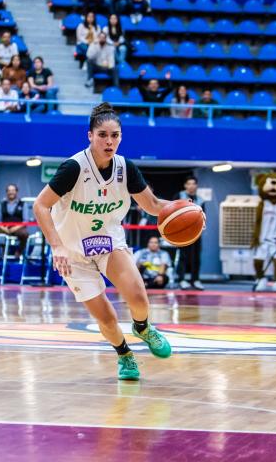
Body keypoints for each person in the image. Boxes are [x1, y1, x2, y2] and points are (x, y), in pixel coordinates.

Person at [33, 102, 172, 381]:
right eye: (103, 135)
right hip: (73, 254)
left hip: (108, 242)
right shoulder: (73, 168)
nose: (109, 142)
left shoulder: (125, 168)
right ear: (90, 136)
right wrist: (57, 246)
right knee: (106, 318)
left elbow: (154, 205)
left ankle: (143, 327)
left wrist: (185, 208)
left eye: (115, 135)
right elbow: (40, 205)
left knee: (137, 295)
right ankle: (124, 355)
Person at [177, 176, 205, 290]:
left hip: (196, 233)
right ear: (185, 185)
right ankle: (182, 279)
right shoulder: (179, 196)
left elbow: (203, 216)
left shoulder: (200, 200)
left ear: (196, 186)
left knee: (196, 257)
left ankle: (195, 280)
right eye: (189, 184)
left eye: (194, 184)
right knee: (182, 256)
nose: (191, 186)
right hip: (181, 232)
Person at [0, 183, 30, 255]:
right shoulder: (2, 204)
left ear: (16, 192)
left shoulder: (23, 204)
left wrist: (15, 228)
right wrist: (3, 228)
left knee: (25, 234)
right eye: (9, 190)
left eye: (13, 190)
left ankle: (19, 252)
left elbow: (26, 221)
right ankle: (3, 249)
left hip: (18, 228)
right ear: (7, 192)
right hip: (4, 228)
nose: (11, 192)